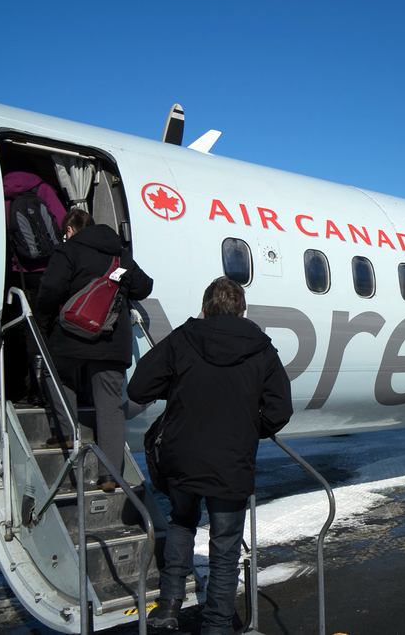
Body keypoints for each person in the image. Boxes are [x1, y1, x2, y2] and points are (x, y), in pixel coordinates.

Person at [127, 277, 293, 633]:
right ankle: (216, 624)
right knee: (225, 546)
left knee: (182, 521)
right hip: (231, 462)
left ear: (205, 307)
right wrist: (252, 427)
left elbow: (139, 387)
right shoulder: (262, 350)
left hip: (183, 457)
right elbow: (280, 410)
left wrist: (177, 386)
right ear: (242, 310)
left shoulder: (182, 340)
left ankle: (169, 604)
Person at [36, 208, 153, 491]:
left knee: (58, 376)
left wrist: (41, 319)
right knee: (110, 406)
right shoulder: (120, 254)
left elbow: (51, 289)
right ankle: (110, 475)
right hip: (112, 340)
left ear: (71, 230)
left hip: (73, 336)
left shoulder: (69, 250)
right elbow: (144, 287)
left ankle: (65, 432)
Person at [2, 171, 67, 402]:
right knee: (44, 328)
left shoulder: (5, 194)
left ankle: (17, 387)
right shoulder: (43, 189)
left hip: (19, 272)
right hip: (46, 271)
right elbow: (61, 221)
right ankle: (43, 389)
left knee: (18, 329)